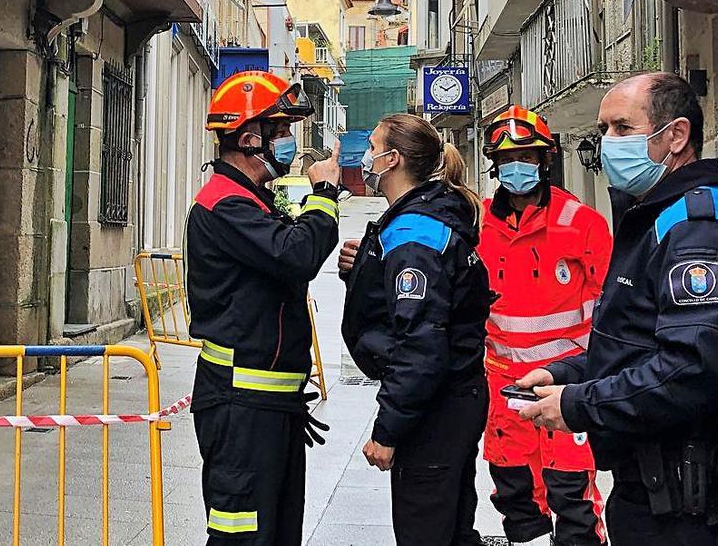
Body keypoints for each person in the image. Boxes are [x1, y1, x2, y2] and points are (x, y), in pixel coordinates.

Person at [516, 73, 718, 545]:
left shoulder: (700, 230)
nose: (608, 144)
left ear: (676, 135)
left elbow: (694, 367)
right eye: (603, 131)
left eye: (622, 128)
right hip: (655, 487)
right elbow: (641, 340)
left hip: (690, 500)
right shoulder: (658, 216)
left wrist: (582, 405)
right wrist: (569, 374)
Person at [186, 70, 342, 545]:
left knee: (275, 531)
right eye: (281, 131)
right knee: (244, 535)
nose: (290, 142)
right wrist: (325, 196)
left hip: (269, 405)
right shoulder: (225, 204)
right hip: (241, 408)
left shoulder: (250, 200)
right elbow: (297, 256)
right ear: (250, 137)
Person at [337, 113, 491, 545]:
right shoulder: (420, 218)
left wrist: (387, 430)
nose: (365, 157)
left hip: (436, 408)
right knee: (452, 526)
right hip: (453, 398)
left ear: (393, 160)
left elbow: (420, 343)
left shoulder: (414, 235)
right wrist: (365, 270)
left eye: (372, 147)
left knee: (424, 529)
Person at [476, 105, 612, 546]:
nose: (518, 167)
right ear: (495, 166)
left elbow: (611, 311)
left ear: (546, 159)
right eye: (509, 159)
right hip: (504, 388)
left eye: (529, 157)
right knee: (515, 496)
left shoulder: (581, 224)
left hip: (565, 386)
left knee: (571, 496)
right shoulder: (478, 223)